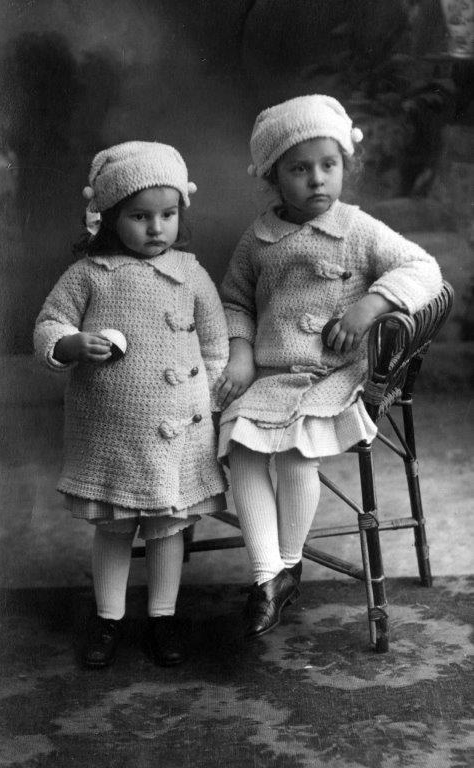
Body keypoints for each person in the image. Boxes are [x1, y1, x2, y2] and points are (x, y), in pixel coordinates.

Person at [216, 95, 442, 640]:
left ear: (344, 165)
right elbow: (235, 301)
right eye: (300, 168)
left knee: (297, 452)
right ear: (273, 176)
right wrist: (241, 352)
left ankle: (286, 563)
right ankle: (269, 575)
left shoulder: (356, 228)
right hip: (272, 374)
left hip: (333, 375)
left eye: (329, 164)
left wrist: (371, 306)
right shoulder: (258, 238)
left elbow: (422, 268)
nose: (317, 179)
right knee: (241, 445)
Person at [34, 141, 228, 668]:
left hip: (178, 430)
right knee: (116, 527)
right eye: (140, 216)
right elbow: (49, 323)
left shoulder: (191, 272)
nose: (156, 228)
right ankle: (108, 618)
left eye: (167, 214)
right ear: (111, 216)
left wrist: (206, 399)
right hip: (112, 433)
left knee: (167, 527)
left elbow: (215, 343)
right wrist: (70, 344)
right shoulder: (89, 273)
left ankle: (164, 616)